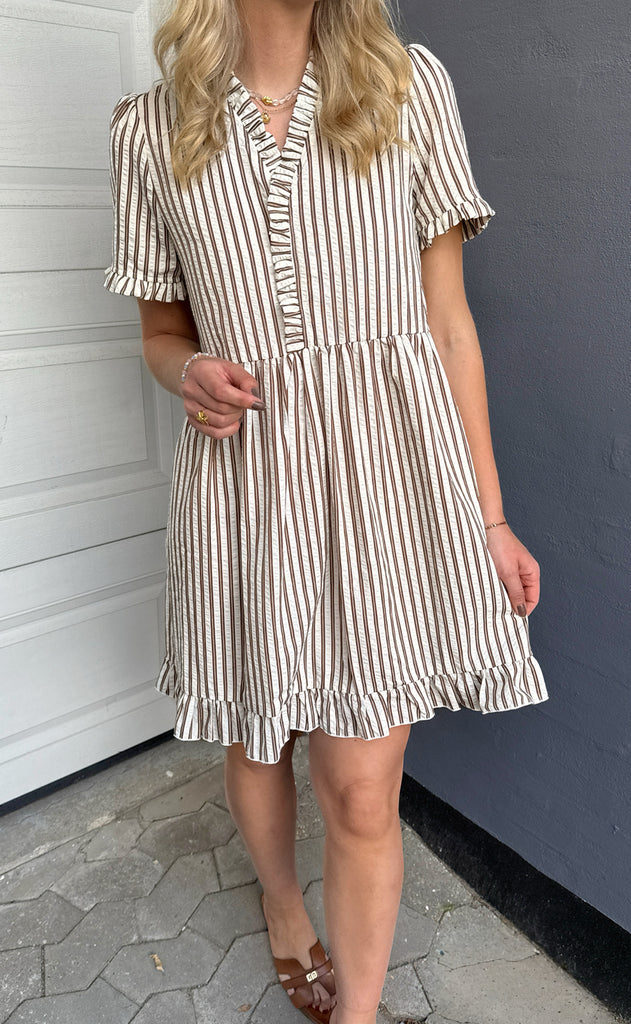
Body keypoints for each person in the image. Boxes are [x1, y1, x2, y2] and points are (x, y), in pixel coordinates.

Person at [104, 1, 549, 1021]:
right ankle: (280, 902)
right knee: (261, 735)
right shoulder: (149, 127)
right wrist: (187, 373)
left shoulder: (405, 87)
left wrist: (488, 518)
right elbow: (161, 332)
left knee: (359, 786)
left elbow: (448, 325)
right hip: (246, 478)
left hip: (387, 484)